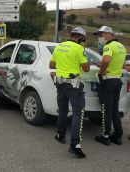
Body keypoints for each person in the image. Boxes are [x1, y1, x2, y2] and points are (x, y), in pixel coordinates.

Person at [49, 27, 90, 158]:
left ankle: (60, 135)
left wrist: (64, 64)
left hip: (60, 83)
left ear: (72, 35)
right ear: (81, 38)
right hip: (73, 85)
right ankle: (75, 145)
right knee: (78, 113)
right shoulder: (79, 49)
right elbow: (86, 68)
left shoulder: (59, 46)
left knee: (62, 110)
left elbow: (51, 65)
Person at [93, 26, 127, 145]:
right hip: (117, 81)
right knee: (114, 109)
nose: (100, 38)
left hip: (108, 81)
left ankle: (105, 136)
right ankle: (118, 135)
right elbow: (121, 64)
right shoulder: (121, 46)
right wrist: (102, 64)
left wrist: (101, 71)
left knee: (106, 110)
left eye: (101, 35)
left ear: (108, 34)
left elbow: (107, 60)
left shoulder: (108, 46)